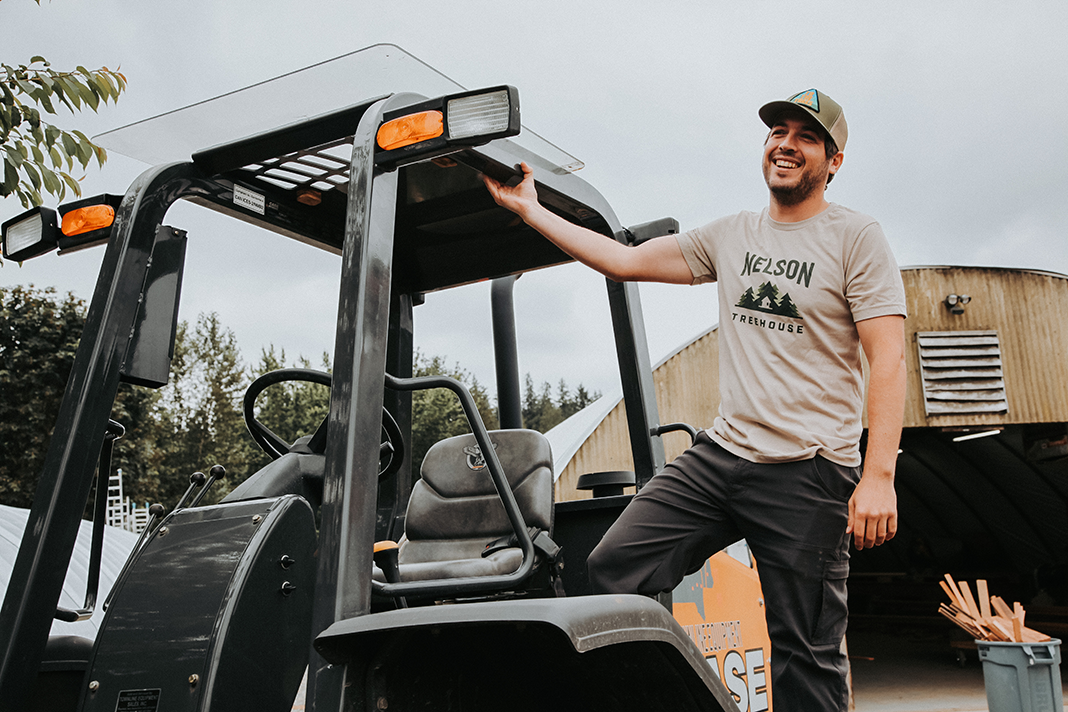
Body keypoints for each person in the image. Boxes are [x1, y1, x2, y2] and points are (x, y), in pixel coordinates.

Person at [484, 88, 907, 711]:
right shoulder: (732, 234)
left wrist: (878, 476)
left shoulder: (855, 238)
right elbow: (624, 261)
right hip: (722, 459)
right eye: (777, 132)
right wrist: (531, 211)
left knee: (807, 653)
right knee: (612, 571)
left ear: (834, 160)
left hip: (809, 474)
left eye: (806, 137)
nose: (786, 144)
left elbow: (889, 358)